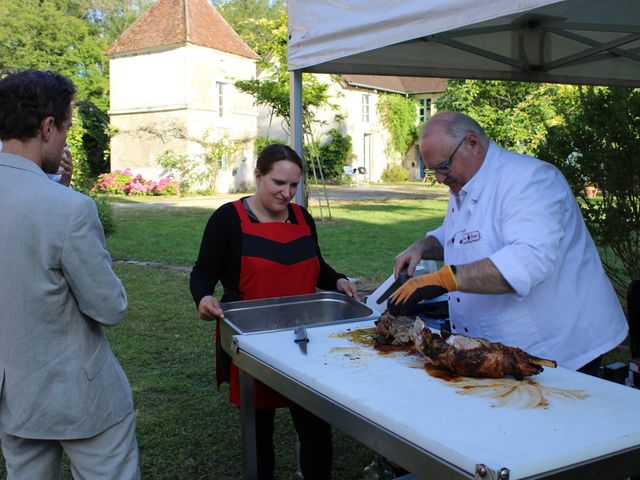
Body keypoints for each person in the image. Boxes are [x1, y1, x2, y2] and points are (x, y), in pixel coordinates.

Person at [389, 111, 628, 376]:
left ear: (472, 142)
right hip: (498, 348)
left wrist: (444, 280)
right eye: (434, 171)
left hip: (561, 346)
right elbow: (462, 235)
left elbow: (529, 261)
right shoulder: (467, 180)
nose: (440, 179)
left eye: (443, 166)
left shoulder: (531, 180)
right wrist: (423, 246)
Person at [0, 70, 139, 479]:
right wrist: (59, 192)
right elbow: (109, 307)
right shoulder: (68, 208)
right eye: (65, 128)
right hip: (82, 397)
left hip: (13, 394)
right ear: (47, 127)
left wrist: (54, 186)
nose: (63, 140)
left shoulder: (56, 199)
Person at [190, 144, 358, 480]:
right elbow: (203, 270)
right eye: (278, 183)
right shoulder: (228, 219)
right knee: (259, 431)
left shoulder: (302, 217)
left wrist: (337, 280)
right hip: (255, 340)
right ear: (258, 176)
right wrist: (203, 297)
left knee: (315, 424)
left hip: (305, 339)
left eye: (294, 185)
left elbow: (316, 266)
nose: (287, 193)